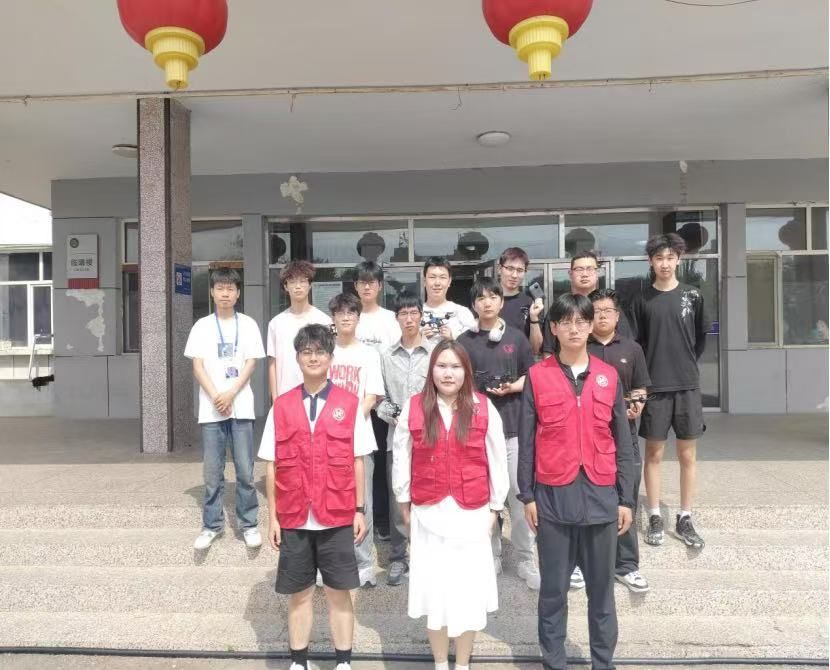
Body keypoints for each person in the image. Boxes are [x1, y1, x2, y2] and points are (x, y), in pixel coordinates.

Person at [518, 294, 636, 670]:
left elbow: (624, 442)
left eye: (581, 321)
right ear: (553, 328)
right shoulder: (538, 376)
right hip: (553, 498)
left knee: (602, 595)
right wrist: (527, 495)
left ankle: (603, 663)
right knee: (553, 593)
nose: (574, 328)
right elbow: (527, 440)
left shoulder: (608, 376)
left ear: (591, 326)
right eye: (566, 322)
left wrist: (626, 499)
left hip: (601, 498)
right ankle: (554, 663)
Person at [392, 340, 509, 670]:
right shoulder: (414, 406)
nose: (448, 373)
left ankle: (463, 664)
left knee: (466, 596)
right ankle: (441, 663)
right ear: (432, 370)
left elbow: (497, 458)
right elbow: (401, 456)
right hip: (428, 512)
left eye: (456, 367)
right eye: (441, 366)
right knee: (435, 595)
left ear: (466, 371)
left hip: (471, 514)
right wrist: (404, 500)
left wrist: (495, 508)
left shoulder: (483, 407)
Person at [259, 324, 370, 670]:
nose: (313, 357)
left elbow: (358, 460)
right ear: (297, 358)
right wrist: (273, 518)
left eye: (320, 351)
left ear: (330, 358)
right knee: (300, 593)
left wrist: (360, 510)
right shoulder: (281, 406)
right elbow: (272, 466)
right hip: (294, 514)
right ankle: (299, 662)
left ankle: (344, 662)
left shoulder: (349, 404)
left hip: (336, 513)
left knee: (339, 592)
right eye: (306, 351)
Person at [457, 277, 539, 590]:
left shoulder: (516, 338)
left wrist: (513, 386)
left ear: (501, 302)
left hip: (513, 429)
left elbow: (532, 376)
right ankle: (491, 554)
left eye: (493, 296)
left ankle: (525, 557)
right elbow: (456, 383)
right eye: (481, 298)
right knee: (483, 499)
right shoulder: (464, 342)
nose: (487, 302)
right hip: (477, 433)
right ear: (473, 305)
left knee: (519, 496)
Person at [630, 233, 709, 549]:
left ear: (679, 259)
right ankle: (654, 515)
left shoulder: (693, 295)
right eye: (659, 258)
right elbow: (637, 345)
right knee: (654, 453)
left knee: (688, 454)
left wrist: (684, 366)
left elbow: (699, 340)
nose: (664, 263)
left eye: (670, 257)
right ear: (651, 261)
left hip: (687, 386)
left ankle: (685, 516)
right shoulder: (641, 300)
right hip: (655, 388)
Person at [185, 268, 265, 550]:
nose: (225, 294)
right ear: (212, 292)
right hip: (211, 410)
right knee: (212, 473)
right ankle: (212, 525)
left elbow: (251, 364)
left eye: (230, 288)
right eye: (220, 288)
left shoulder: (249, 325)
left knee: (245, 470)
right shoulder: (202, 326)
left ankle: (249, 524)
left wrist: (230, 393)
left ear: (238, 292)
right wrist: (216, 395)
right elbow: (197, 366)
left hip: (241, 406)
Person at [588, 288, 652, 593]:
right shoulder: (580, 348)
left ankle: (626, 566)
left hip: (624, 437)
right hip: (590, 438)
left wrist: (638, 404)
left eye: (607, 311)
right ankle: (584, 562)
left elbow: (641, 387)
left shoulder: (632, 348)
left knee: (626, 497)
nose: (602, 316)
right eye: (596, 311)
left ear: (617, 316)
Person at [377, 293, 435, 586]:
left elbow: (444, 391)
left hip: (431, 439)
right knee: (398, 497)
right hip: (396, 439)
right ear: (396, 318)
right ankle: (398, 557)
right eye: (404, 314)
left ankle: (428, 555)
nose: (409, 319)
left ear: (421, 315)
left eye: (414, 313)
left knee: (430, 497)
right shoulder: (386, 356)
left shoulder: (435, 353)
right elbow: (380, 399)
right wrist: (397, 417)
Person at [328, 293, 385, 587]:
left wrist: (349, 422)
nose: (346, 317)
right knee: (329, 499)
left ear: (358, 318)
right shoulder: (325, 351)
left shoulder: (368, 354)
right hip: (326, 438)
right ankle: (330, 562)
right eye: (340, 313)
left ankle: (364, 564)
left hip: (359, 436)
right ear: (333, 319)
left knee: (363, 502)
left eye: (351, 312)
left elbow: (372, 396)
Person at [352, 261, 402, 542]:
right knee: (356, 461)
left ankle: (382, 520)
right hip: (354, 405)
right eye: (362, 282)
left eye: (371, 282)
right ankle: (357, 516)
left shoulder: (390, 319)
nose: (367, 287)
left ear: (380, 286)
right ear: (356, 286)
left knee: (381, 462)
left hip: (381, 403)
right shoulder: (349, 316)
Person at [541, 251, 634, 359]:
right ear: (570, 274)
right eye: (579, 269)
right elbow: (548, 351)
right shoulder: (560, 308)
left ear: (597, 273)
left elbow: (627, 346)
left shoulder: (610, 308)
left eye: (590, 269)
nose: (584, 274)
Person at [267, 260, 332, 400]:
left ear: (310, 285)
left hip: (319, 395)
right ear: (286, 286)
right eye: (292, 282)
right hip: (285, 395)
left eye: (303, 281)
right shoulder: (276, 323)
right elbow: (272, 364)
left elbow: (331, 359)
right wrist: (275, 398)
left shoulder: (325, 321)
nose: (298, 286)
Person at [497, 247, 544, 354]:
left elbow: (536, 349)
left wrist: (534, 317)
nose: (514, 275)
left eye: (520, 270)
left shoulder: (530, 304)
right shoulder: (487, 301)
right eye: (510, 268)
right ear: (499, 269)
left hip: (520, 363)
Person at [421, 256, 476, 342]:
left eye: (442, 277)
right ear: (424, 281)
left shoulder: (462, 312)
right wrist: (418, 339)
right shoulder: (413, 314)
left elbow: (472, 345)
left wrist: (452, 338)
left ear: (449, 281)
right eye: (432, 277)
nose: (437, 283)